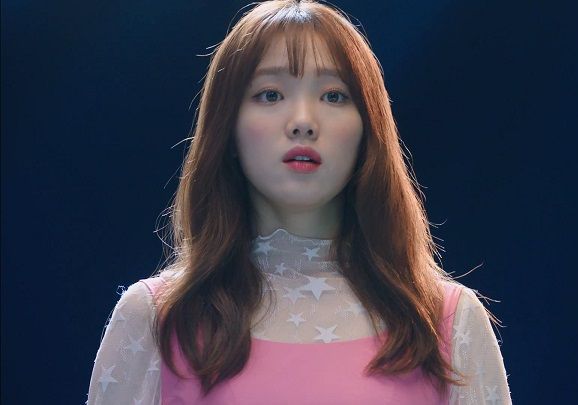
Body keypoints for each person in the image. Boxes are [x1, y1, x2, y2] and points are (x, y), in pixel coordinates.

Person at [86, 0, 512, 403]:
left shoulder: (448, 324)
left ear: (368, 130)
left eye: (334, 95)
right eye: (270, 94)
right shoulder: (155, 321)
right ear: (227, 129)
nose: (303, 122)